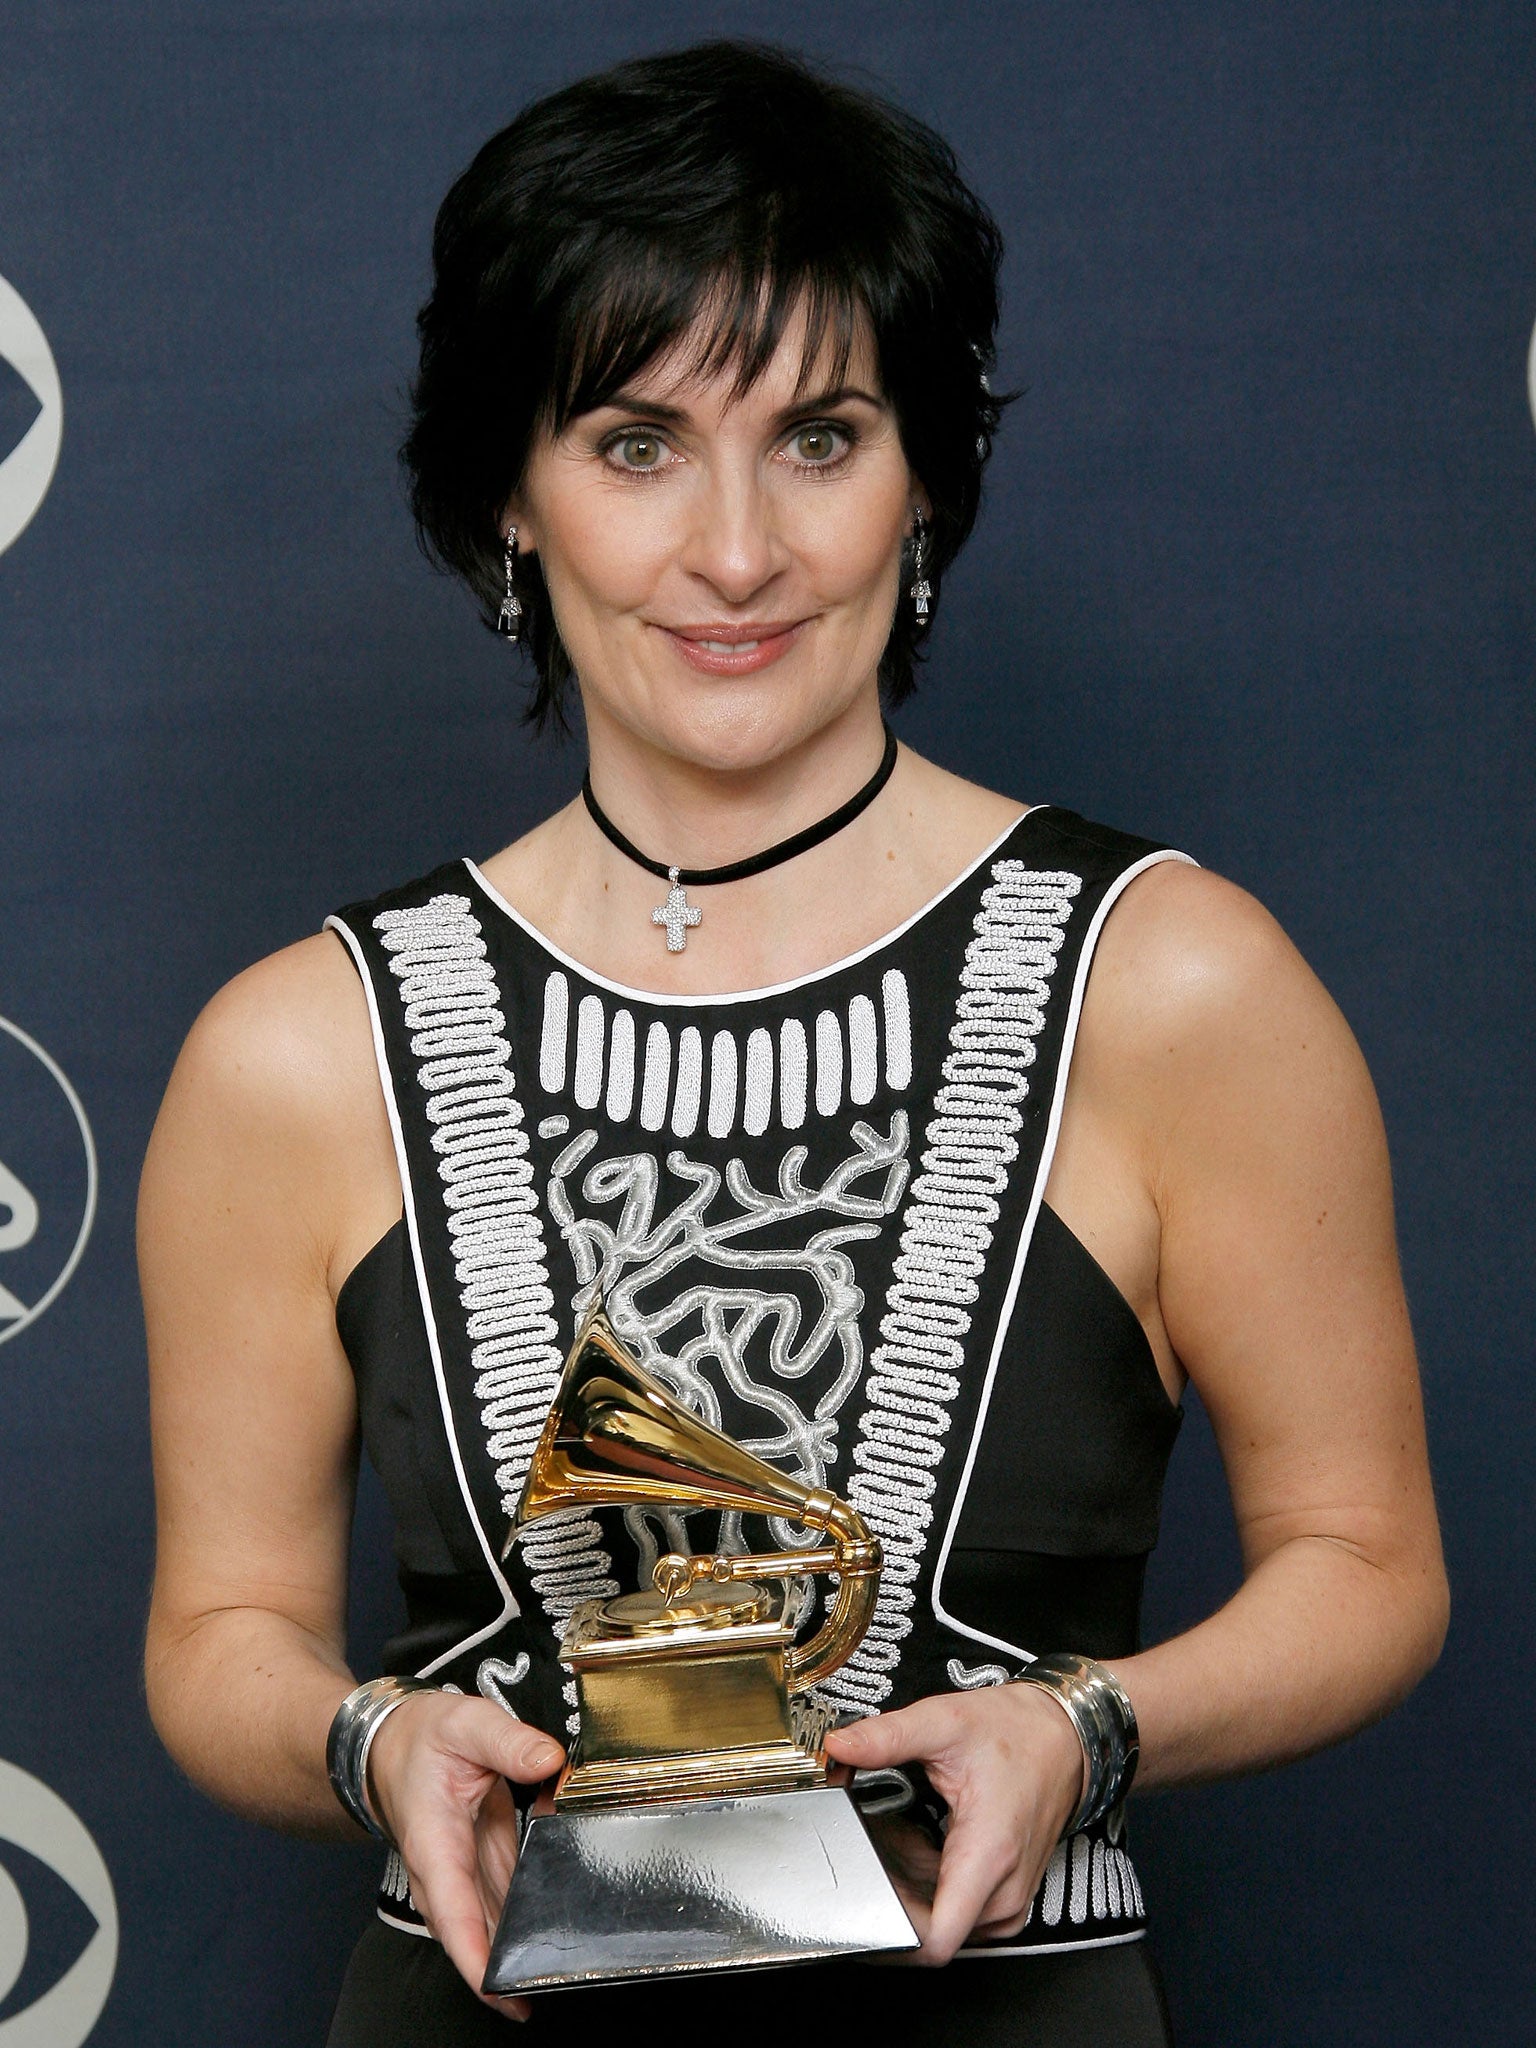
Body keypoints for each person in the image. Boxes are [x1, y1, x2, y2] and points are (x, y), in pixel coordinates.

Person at [139, 41, 1448, 2047]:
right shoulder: (303, 1045)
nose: (736, 552)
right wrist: (372, 1743)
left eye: (820, 436)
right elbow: (218, 1632)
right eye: (636, 441)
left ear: (924, 472)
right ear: (512, 490)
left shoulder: (1173, 983)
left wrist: (1087, 1727)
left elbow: (1369, 1560)